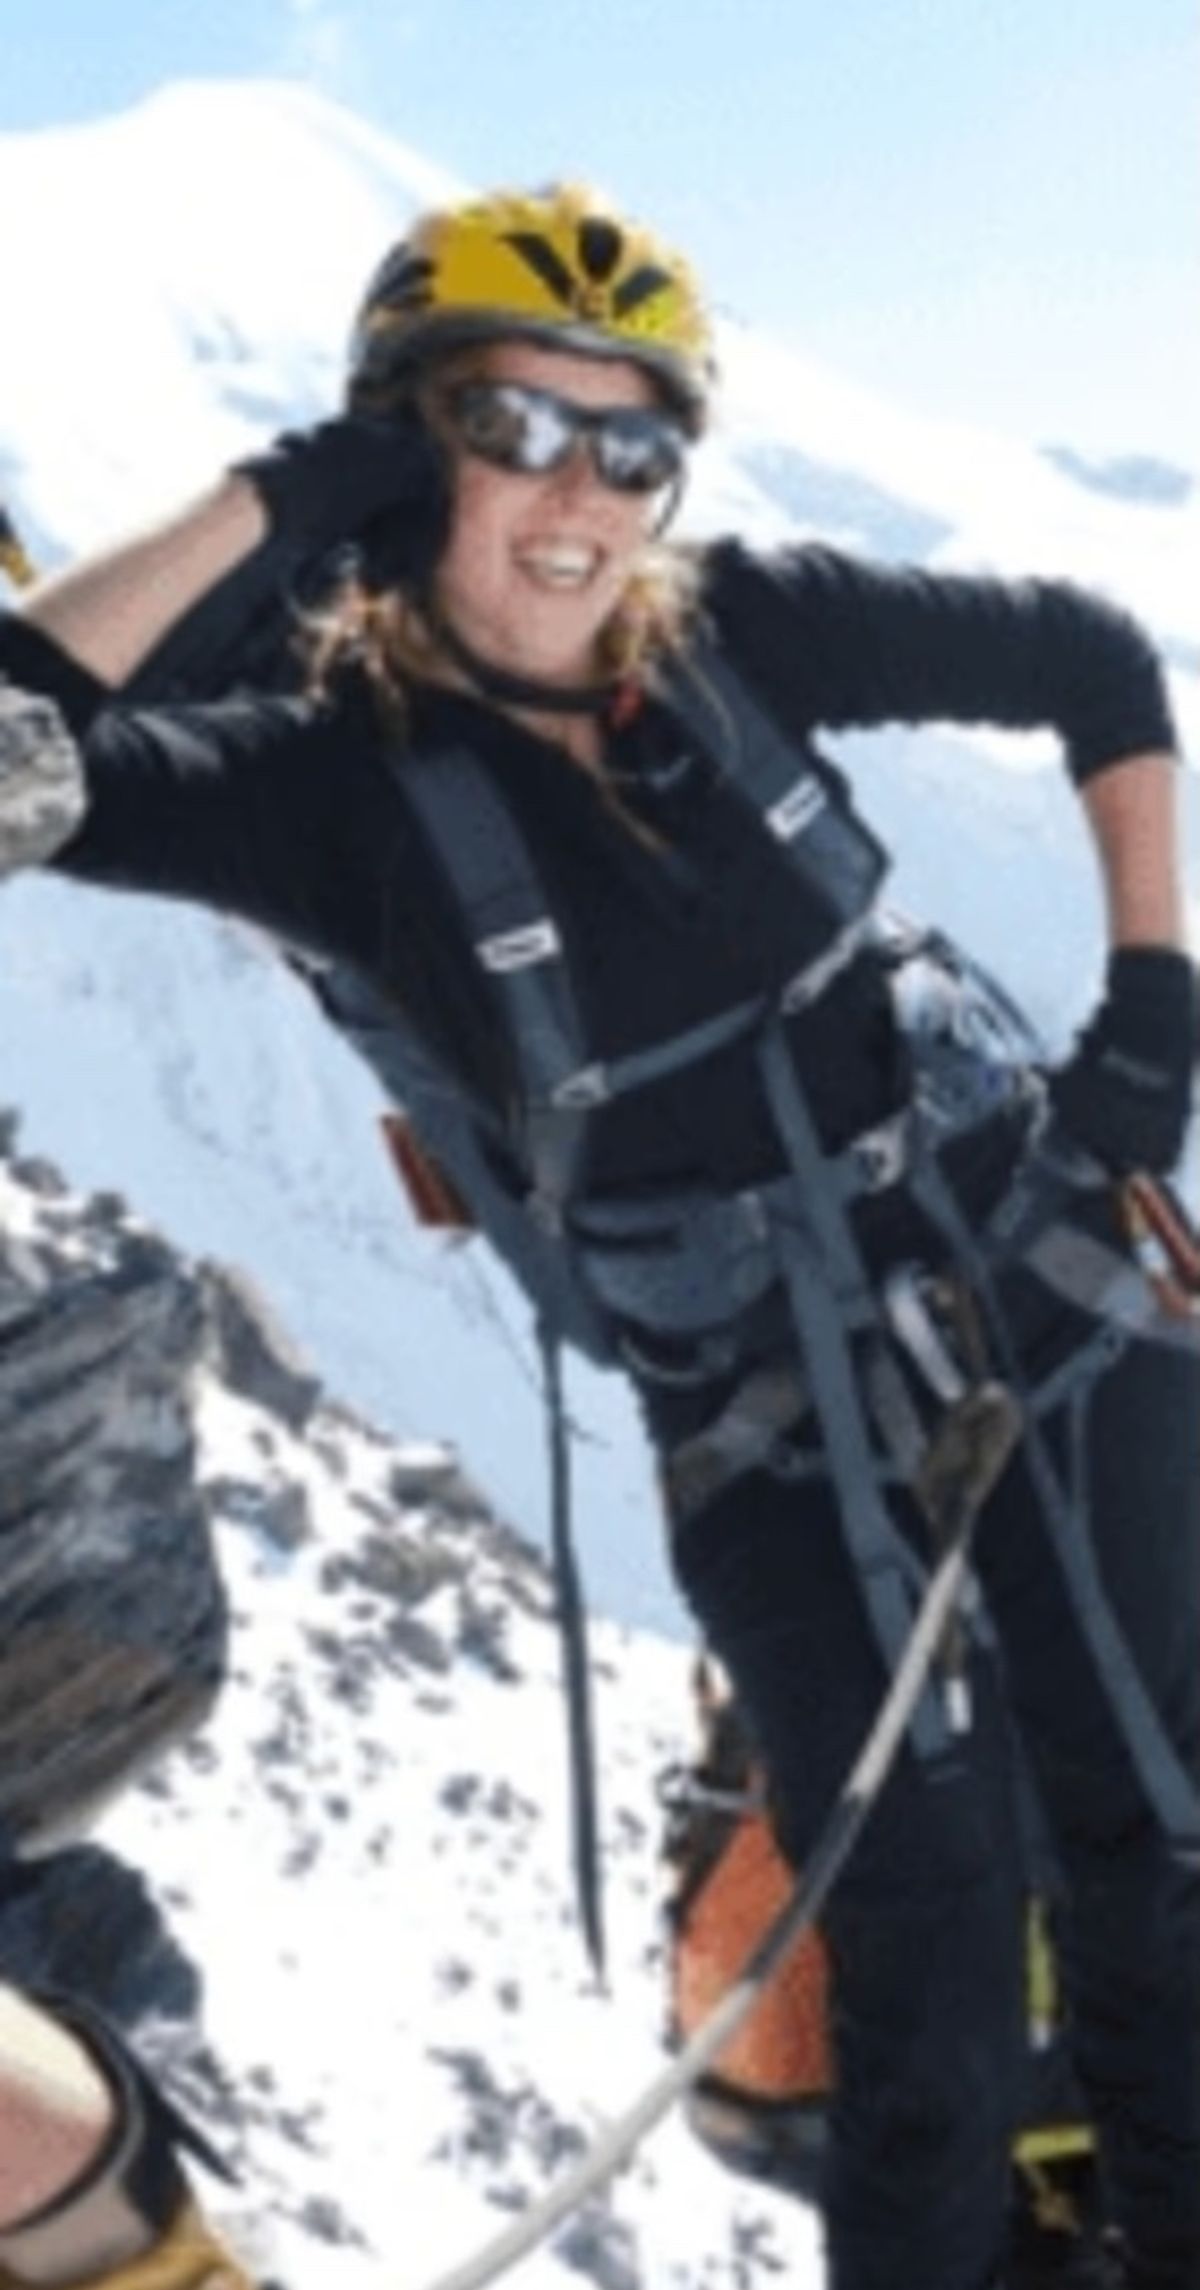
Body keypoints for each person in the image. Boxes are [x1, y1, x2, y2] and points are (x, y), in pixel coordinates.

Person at [0, 182, 1196, 2290]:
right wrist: (281, 493)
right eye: (505, 423)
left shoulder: (748, 631)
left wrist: (1156, 1007)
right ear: (399, 449)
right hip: (762, 1407)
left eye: (628, 440)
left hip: (1019, 1259)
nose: (577, 493)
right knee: (913, 1920)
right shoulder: (320, 792)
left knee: (1153, 1820)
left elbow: (1097, 662)